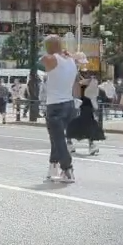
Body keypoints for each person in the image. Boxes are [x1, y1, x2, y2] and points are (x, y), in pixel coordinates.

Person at [39, 34, 78, 183]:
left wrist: (54, 52)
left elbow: (40, 61)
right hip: (69, 104)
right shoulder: (71, 61)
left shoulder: (51, 59)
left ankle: (67, 169)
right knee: (56, 139)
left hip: (55, 105)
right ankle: (52, 167)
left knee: (58, 139)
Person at [65, 74, 104, 156]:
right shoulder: (75, 79)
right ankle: (69, 143)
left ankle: (91, 144)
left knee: (89, 126)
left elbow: (93, 95)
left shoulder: (89, 83)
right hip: (78, 105)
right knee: (72, 124)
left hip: (87, 107)